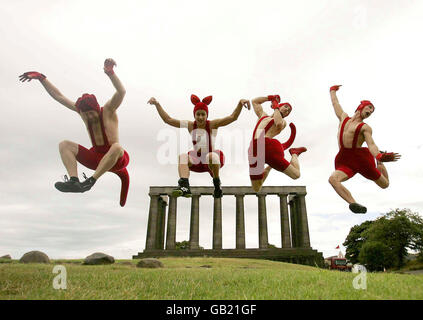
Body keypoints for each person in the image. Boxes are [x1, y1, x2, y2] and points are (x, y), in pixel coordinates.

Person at [19, 58, 130, 206]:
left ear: (97, 108)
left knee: (116, 147)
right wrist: (41, 78)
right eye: (86, 114)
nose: (89, 117)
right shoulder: (82, 112)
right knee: (64, 144)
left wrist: (110, 73)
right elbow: (59, 96)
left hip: (117, 159)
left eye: (92, 113)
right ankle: (74, 181)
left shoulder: (108, 111)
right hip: (96, 159)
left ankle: (90, 182)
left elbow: (121, 92)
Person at [148, 94, 250, 198]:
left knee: (211, 156)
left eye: (203, 114)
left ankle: (217, 184)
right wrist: (157, 104)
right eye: (198, 114)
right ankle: (184, 186)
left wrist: (240, 104)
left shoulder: (212, 124)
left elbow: (233, 117)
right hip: (196, 160)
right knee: (182, 157)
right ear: (194, 115)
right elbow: (168, 120)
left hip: (210, 161)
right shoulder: (190, 125)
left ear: (207, 115)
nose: (200, 117)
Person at [328, 85, 400, 213]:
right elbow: (335, 103)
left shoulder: (365, 127)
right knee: (333, 179)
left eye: (372, 112)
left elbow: (371, 144)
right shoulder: (343, 117)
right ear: (361, 107)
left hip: (361, 159)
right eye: (369, 108)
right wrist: (332, 90)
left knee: (385, 184)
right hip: (344, 159)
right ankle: (353, 204)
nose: (370, 112)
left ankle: (380, 163)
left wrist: (379, 156)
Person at [249, 95, 307, 192]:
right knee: (256, 188)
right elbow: (255, 101)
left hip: (268, 148)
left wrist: (275, 105)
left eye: (289, 111)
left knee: (296, 174)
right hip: (254, 150)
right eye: (286, 107)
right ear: (281, 105)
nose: (287, 110)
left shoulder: (283, 122)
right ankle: (268, 168)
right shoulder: (263, 116)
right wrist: (269, 98)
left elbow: (278, 123)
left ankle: (294, 154)